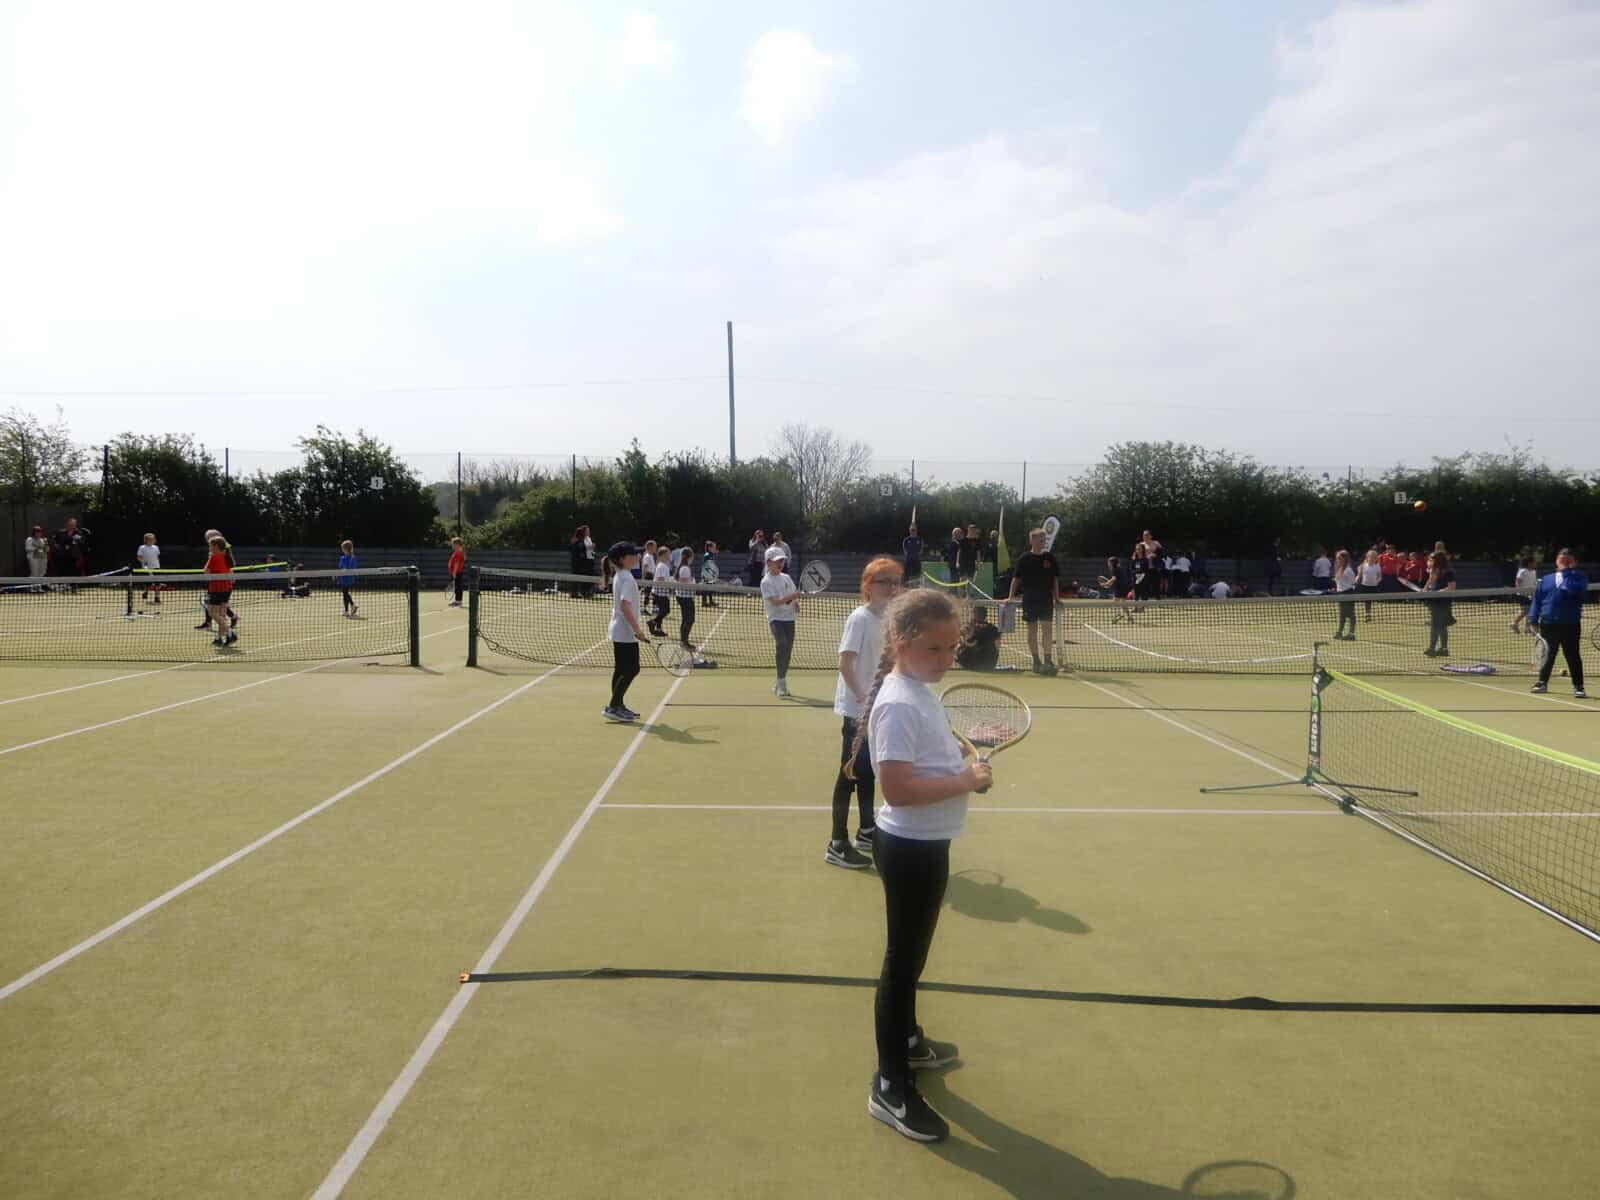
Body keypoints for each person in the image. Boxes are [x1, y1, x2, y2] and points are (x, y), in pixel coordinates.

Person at [854, 587, 986, 1143]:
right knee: (902, 964)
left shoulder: (920, 691)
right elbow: (899, 789)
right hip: (909, 847)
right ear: (902, 641)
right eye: (936, 648)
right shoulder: (900, 702)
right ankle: (890, 1086)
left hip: (928, 844)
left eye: (953, 648)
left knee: (913, 956)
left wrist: (964, 761)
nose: (947, 658)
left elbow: (928, 762)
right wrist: (966, 781)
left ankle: (907, 1039)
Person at [827, 557, 903, 870]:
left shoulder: (890, 619)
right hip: (857, 710)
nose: (892, 587)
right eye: (885, 581)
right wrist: (861, 698)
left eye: (896, 582)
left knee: (868, 771)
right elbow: (846, 663)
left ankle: (867, 831)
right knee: (848, 774)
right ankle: (837, 843)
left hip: (877, 708)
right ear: (869, 585)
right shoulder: (859, 618)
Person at [1529, 549, 1587, 699]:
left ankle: (1579, 686)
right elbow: (1537, 600)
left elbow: (1571, 589)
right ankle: (1542, 683)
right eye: (1561, 560)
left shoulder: (1579, 578)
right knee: (1547, 655)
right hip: (1548, 624)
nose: (1564, 563)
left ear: (1574, 562)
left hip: (1570, 624)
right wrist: (1533, 619)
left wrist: (1566, 572)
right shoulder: (1545, 580)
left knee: (1573, 655)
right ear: (1556, 561)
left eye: (1567, 560)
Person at [604, 541, 648, 722]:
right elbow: (624, 605)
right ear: (622, 559)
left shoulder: (621, 575)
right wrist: (637, 629)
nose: (637, 556)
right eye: (633, 554)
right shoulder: (627, 578)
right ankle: (614, 706)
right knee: (632, 669)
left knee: (621, 669)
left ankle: (618, 705)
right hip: (625, 631)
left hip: (620, 630)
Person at [1007, 527, 1061, 675]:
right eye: (1039, 539)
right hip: (1030, 599)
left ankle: (1048, 660)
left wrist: (1057, 598)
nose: (1043, 542)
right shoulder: (1024, 558)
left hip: (1046, 599)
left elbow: (1055, 580)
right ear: (1032, 540)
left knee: (1047, 629)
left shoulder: (1050, 558)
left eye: (1044, 539)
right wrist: (1010, 597)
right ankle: (1036, 661)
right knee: (1032, 630)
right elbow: (1016, 579)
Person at [762, 544, 799, 697]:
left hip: (790, 618)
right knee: (781, 644)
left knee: (788, 651)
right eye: (777, 561)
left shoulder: (787, 578)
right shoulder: (766, 582)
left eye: (782, 560)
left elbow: (792, 593)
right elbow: (776, 602)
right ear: (768, 562)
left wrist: (796, 603)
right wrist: (792, 597)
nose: (780, 563)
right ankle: (782, 683)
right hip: (775, 619)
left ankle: (779, 680)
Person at [204, 535, 236, 648]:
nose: (209, 548)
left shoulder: (214, 557)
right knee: (222, 615)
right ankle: (218, 638)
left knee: (212, 613)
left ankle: (230, 633)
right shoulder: (226, 556)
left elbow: (206, 572)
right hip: (227, 588)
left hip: (217, 588)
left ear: (216, 546)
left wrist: (209, 558)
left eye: (210, 546)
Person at [1422, 550, 1456, 657]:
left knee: (1437, 625)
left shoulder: (1449, 572)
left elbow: (1452, 587)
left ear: (1438, 560)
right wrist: (1425, 589)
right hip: (1434, 601)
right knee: (1439, 625)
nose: (1430, 561)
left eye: (1432, 559)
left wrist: (1437, 592)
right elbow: (1430, 580)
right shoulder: (1434, 570)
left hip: (1443, 601)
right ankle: (1443, 649)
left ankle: (1433, 649)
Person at [956, 604, 1002, 672]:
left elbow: (958, 636)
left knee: (958, 647)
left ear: (974, 615)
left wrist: (963, 643)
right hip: (989, 664)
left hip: (970, 663)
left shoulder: (970, 627)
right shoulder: (993, 628)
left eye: (972, 612)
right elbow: (997, 646)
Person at [1096, 557, 1135, 623]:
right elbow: (1115, 579)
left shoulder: (1114, 569)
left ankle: (1118, 615)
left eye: (1109, 562)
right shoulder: (1119, 568)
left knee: (1115, 602)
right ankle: (1129, 617)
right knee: (1123, 602)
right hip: (1126, 586)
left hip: (1121, 587)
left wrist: (1105, 584)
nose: (1108, 563)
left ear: (1112, 563)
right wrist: (1108, 584)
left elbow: (1113, 579)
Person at [646, 550, 673, 637]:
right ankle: (652, 622)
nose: (669, 556)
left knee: (662, 611)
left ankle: (658, 629)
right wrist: (669, 585)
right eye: (668, 554)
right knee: (666, 610)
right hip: (660, 592)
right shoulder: (662, 566)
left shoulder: (663, 566)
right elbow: (660, 578)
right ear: (662, 555)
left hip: (661, 592)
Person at [1332, 549, 1358, 640]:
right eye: (1337, 558)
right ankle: (1339, 632)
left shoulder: (1348, 570)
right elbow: (1339, 583)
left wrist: (1347, 593)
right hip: (1341, 594)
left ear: (1344, 559)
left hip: (1348, 593)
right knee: (1342, 614)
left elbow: (1353, 583)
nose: (1337, 560)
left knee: (1351, 614)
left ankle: (1351, 634)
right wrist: (1336, 590)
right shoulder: (1339, 569)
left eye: (1339, 558)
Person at [675, 547, 697, 649]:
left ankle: (683, 640)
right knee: (689, 619)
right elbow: (684, 583)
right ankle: (684, 641)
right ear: (690, 556)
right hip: (685, 597)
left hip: (685, 597)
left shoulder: (685, 567)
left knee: (687, 619)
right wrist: (694, 586)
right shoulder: (685, 568)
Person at [1510, 555, 1537, 634]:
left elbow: (1534, 582)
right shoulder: (1522, 571)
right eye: (1534, 562)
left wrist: (1535, 589)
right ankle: (1514, 623)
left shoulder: (1534, 571)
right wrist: (1521, 591)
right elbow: (1517, 582)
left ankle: (1527, 629)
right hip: (1522, 594)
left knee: (1530, 611)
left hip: (1531, 594)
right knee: (1525, 611)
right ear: (1529, 563)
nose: (1535, 563)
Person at [136, 532, 163, 605]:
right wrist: (144, 564)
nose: (152, 540)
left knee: (157, 583)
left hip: (156, 567)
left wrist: (157, 565)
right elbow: (139, 557)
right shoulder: (142, 547)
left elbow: (157, 557)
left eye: (153, 539)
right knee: (148, 583)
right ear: (146, 540)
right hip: (146, 568)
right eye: (150, 539)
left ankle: (157, 597)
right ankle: (146, 592)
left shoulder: (156, 547)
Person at [569, 526, 594, 597]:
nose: (589, 532)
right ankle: (575, 593)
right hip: (579, 563)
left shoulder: (588, 540)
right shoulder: (577, 541)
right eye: (587, 531)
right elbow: (578, 552)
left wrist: (591, 549)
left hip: (587, 563)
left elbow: (590, 553)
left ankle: (585, 592)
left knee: (586, 578)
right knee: (577, 578)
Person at [336, 540, 359, 617]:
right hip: (350, 578)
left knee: (345, 593)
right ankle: (352, 606)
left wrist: (337, 575)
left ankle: (347, 611)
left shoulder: (344, 558)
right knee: (345, 593)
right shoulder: (353, 557)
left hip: (345, 578)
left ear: (345, 548)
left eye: (342, 548)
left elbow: (344, 569)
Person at [1357, 549, 1382, 621]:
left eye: (1374, 557)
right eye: (1371, 557)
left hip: (1373, 586)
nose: (1372, 558)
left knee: (1370, 601)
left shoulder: (1377, 566)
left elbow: (1379, 577)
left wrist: (1377, 582)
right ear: (1367, 557)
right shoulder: (1363, 566)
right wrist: (1356, 580)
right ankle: (1367, 615)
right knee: (1367, 601)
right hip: (1364, 586)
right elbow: (1359, 576)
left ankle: (1369, 614)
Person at [447, 537, 467, 607]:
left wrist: (454, 572)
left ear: (457, 544)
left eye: (453, 544)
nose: (452, 546)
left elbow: (456, 563)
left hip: (457, 572)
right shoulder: (458, 552)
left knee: (458, 587)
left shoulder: (458, 552)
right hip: (457, 572)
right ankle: (457, 601)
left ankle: (458, 602)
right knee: (457, 587)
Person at [700, 540, 720, 607]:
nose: (714, 549)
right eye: (713, 547)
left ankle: (711, 601)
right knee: (705, 588)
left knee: (710, 588)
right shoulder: (707, 555)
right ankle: (704, 602)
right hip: (706, 574)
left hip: (710, 574)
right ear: (709, 548)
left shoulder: (710, 554)